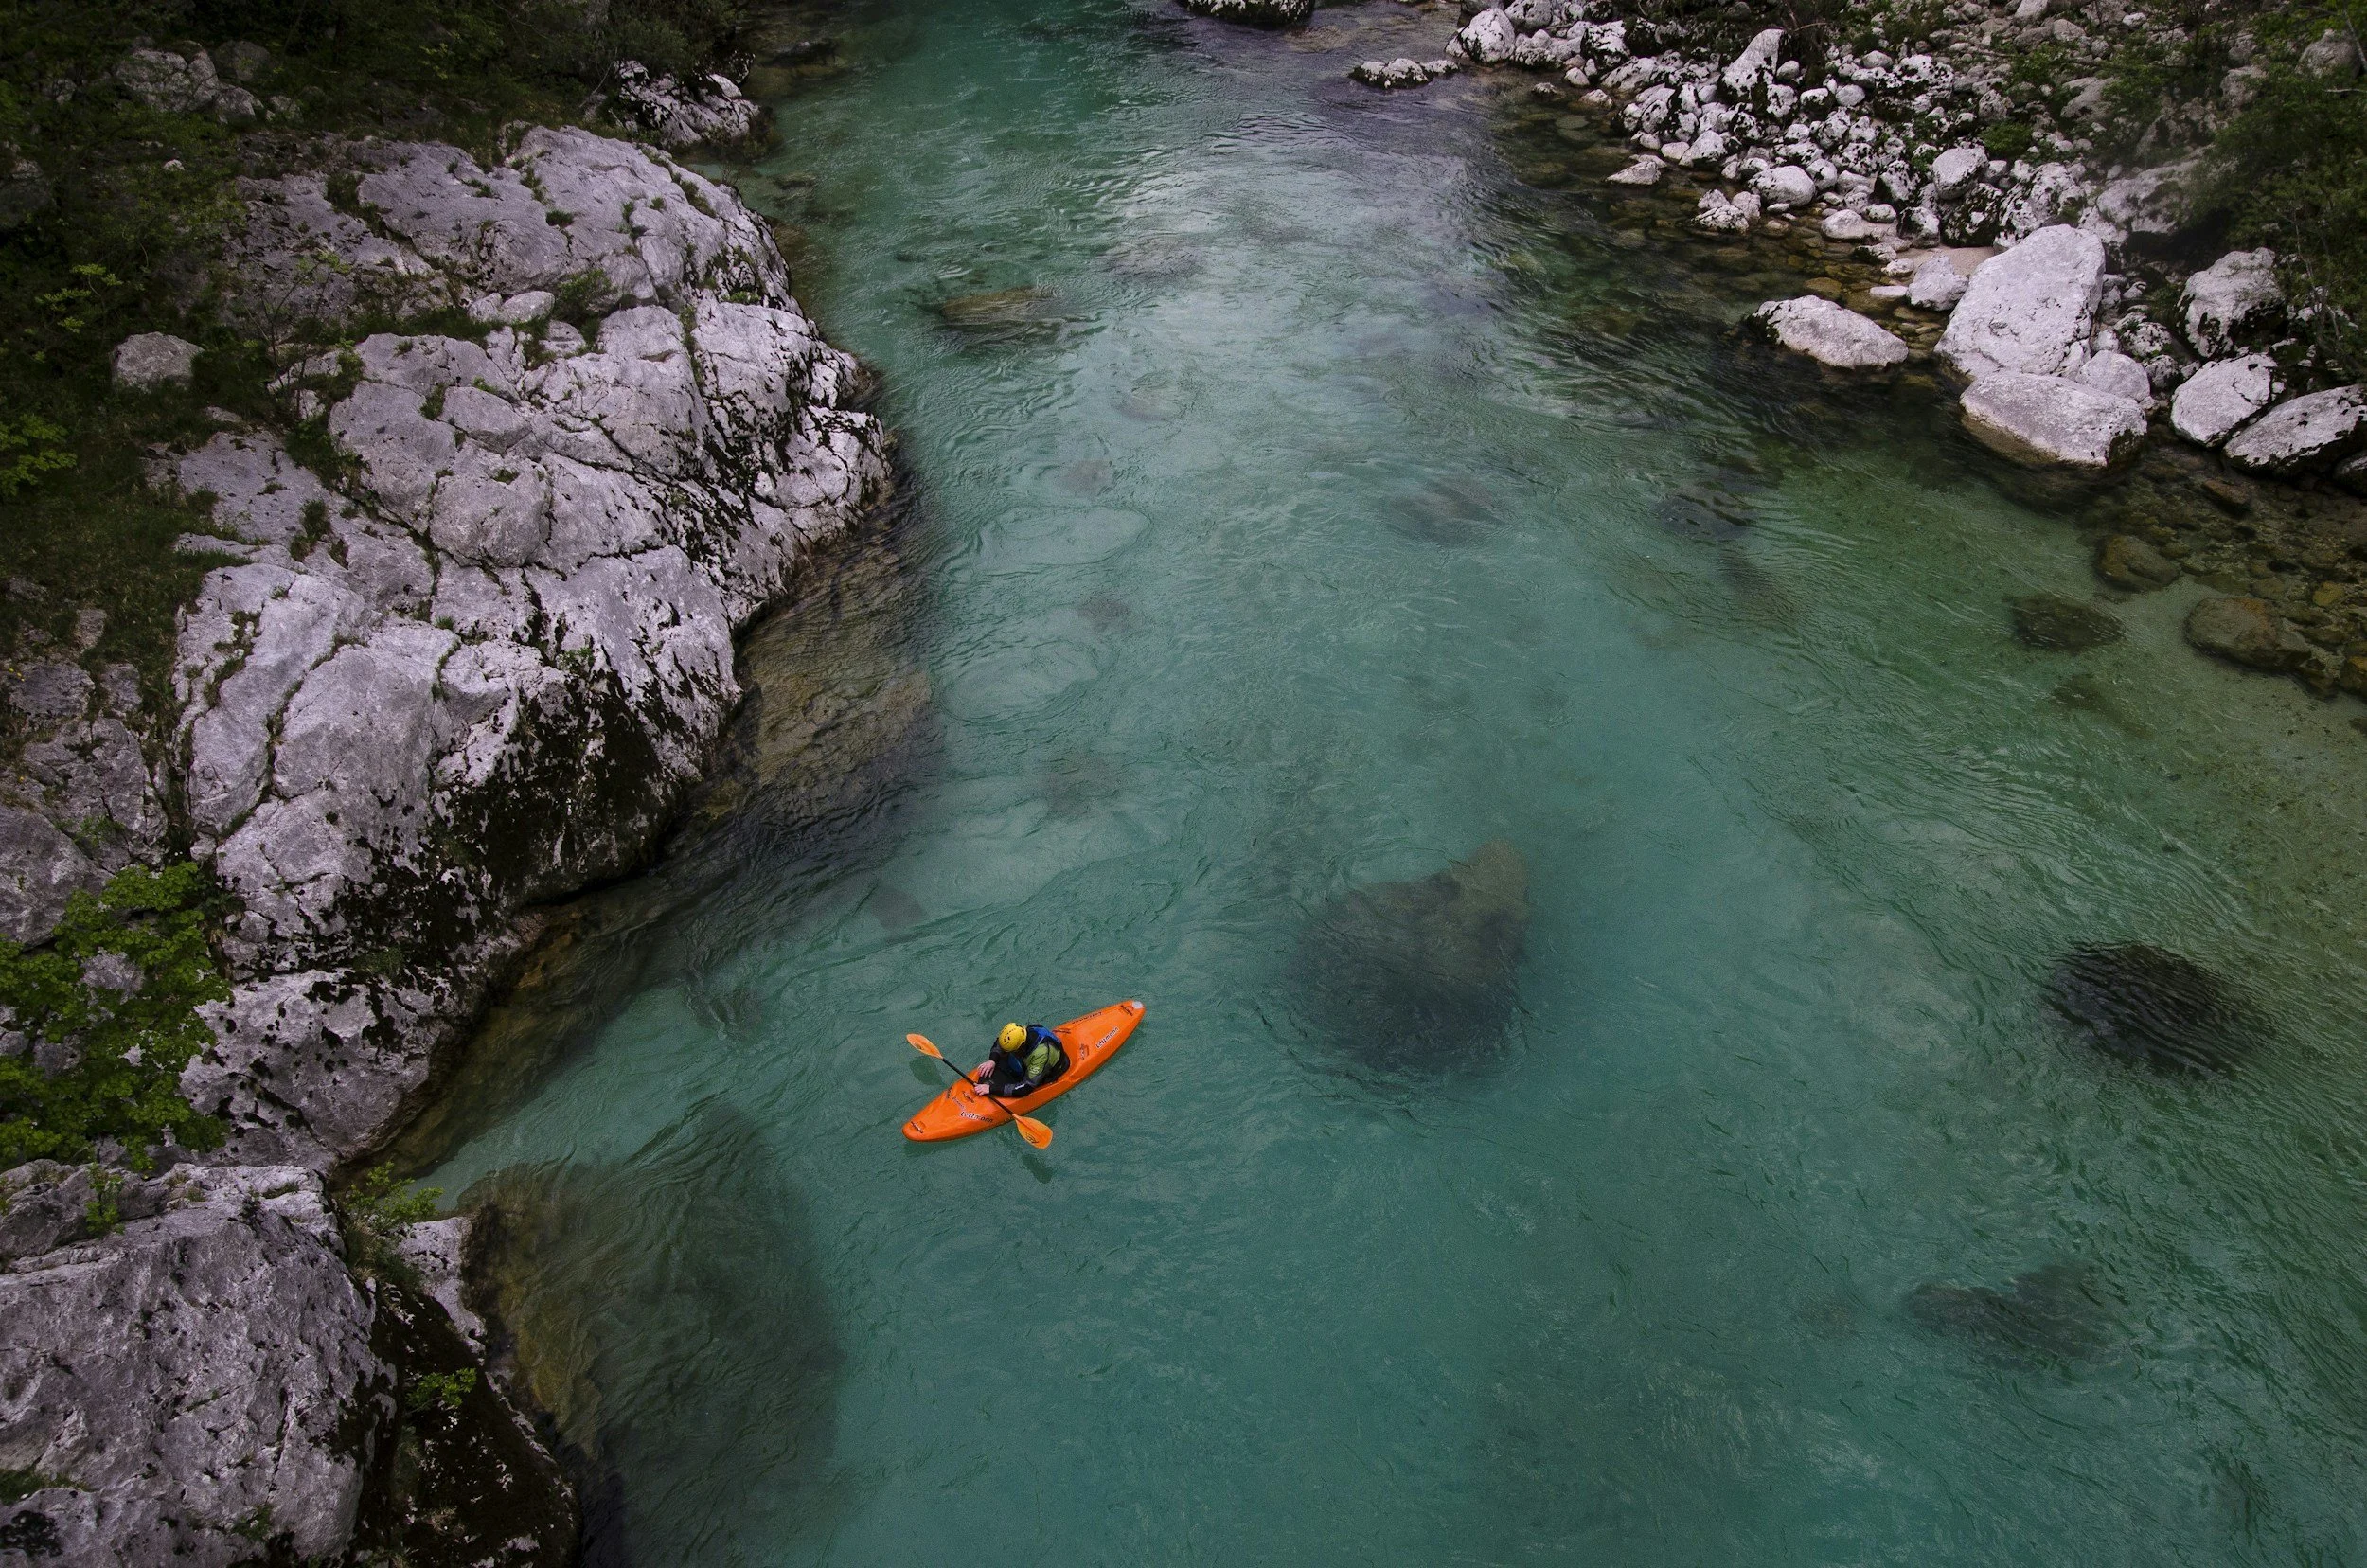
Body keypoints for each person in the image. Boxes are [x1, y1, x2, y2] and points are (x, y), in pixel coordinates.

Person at [974, 1022, 1068, 1098]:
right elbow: (1000, 1043)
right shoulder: (1019, 1033)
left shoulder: (1041, 1055)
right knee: (1003, 1059)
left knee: (1017, 1082)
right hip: (1026, 1059)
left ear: (1021, 1046)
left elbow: (1026, 1087)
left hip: (1047, 1072)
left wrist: (991, 1089)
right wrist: (992, 1060)